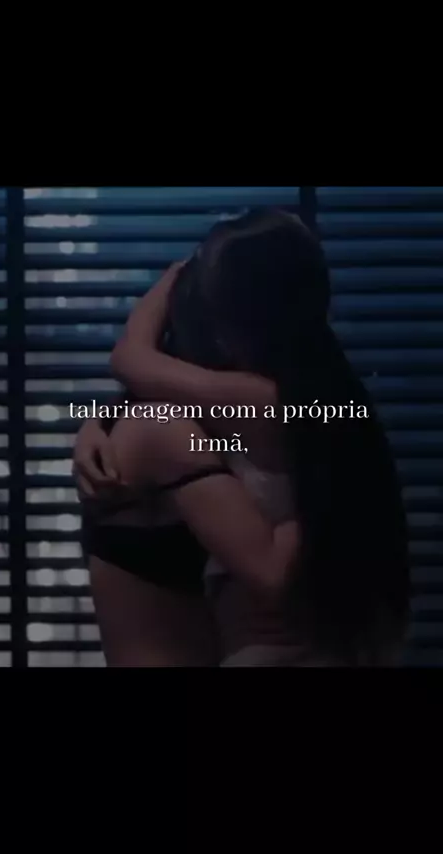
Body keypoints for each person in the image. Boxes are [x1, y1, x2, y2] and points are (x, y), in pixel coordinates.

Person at [74, 209, 410, 666]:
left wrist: (172, 278)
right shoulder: (327, 400)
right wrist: (99, 424)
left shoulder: (255, 403)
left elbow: (130, 361)